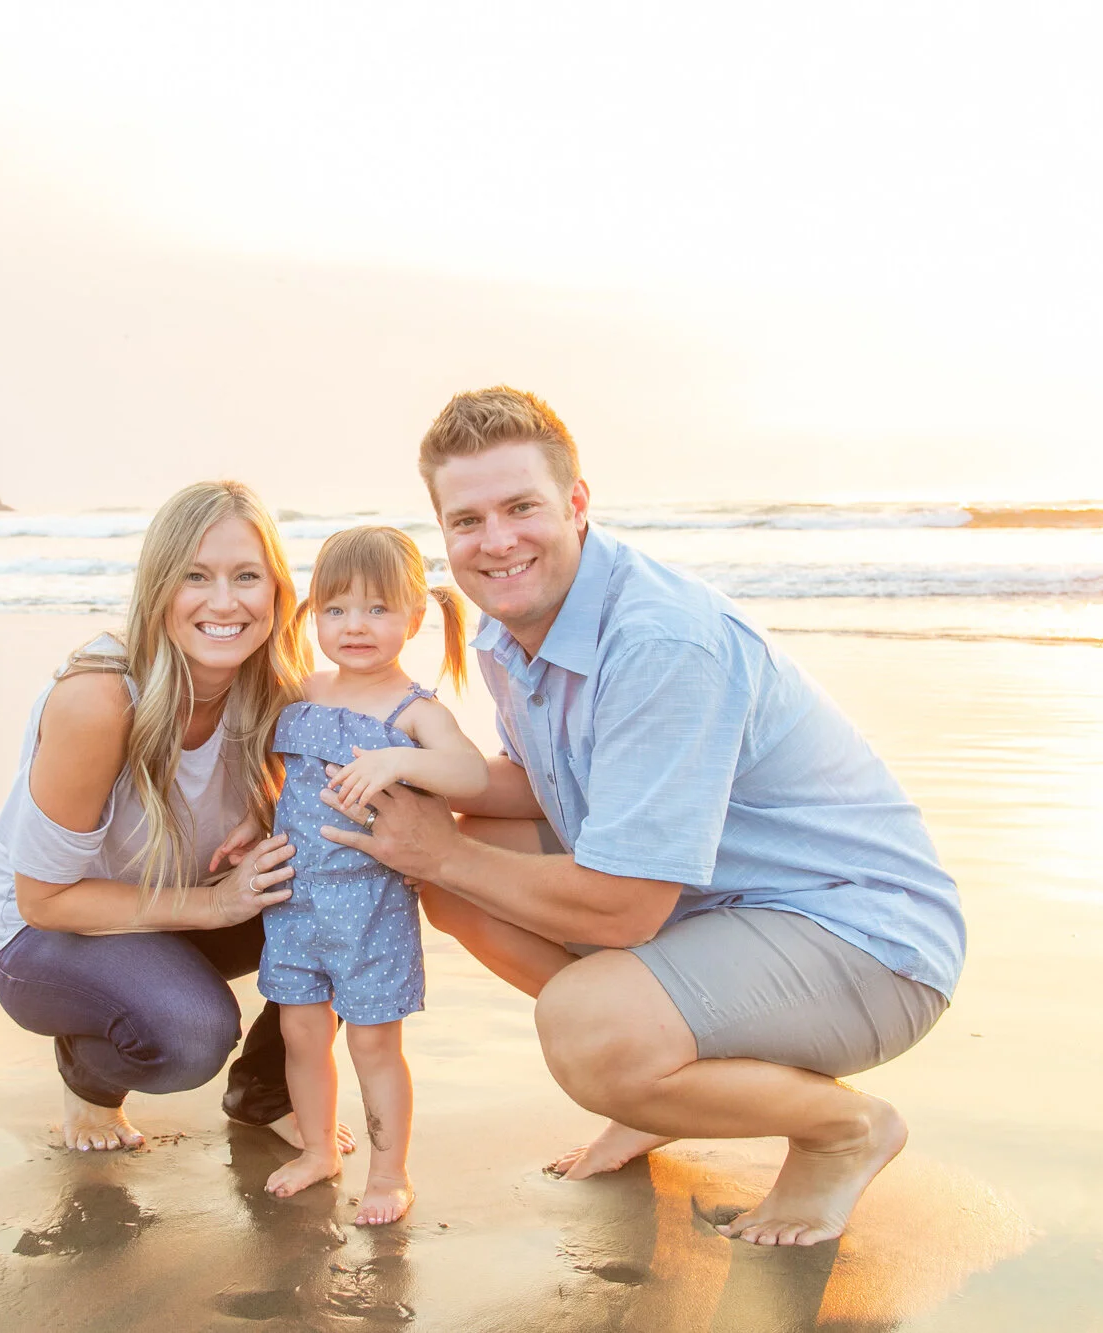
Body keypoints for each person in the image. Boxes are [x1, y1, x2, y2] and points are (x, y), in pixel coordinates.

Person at [321, 387, 966, 1247]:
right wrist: (383, 789)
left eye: (521, 507)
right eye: (467, 520)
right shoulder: (513, 625)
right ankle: (658, 1079)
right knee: (457, 880)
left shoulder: (659, 642)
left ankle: (840, 1129)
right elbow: (546, 784)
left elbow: (625, 907)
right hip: (723, 912)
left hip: (863, 937)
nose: (496, 541)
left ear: (577, 504)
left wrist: (437, 849)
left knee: (582, 1026)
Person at [0, 479, 353, 1156]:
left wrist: (274, 818)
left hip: (173, 906)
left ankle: (266, 1092)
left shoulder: (275, 687)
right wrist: (215, 905)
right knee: (189, 1033)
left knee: (353, 890)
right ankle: (88, 1072)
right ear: (158, 589)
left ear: (276, 591)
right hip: (43, 937)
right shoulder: (99, 699)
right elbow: (41, 899)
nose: (224, 601)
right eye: (195, 576)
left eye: (247, 576)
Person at [210, 526, 487, 1225]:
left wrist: (399, 762)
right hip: (295, 903)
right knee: (303, 1033)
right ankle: (316, 1149)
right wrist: (255, 820)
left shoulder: (414, 711)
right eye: (335, 609)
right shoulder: (304, 691)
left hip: (371, 909)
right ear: (312, 614)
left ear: (415, 616)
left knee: (372, 1042)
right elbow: (285, 779)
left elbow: (470, 774)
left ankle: (390, 1172)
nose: (354, 626)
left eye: (376, 609)